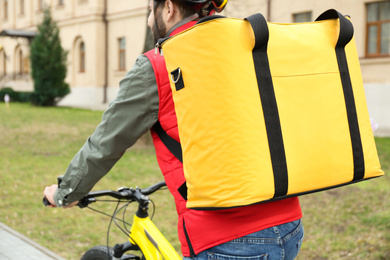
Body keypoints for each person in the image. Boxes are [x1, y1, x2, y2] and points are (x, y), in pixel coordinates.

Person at [43, 0, 304, 259]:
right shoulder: (247, 45)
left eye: (149, 11)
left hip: (228, 240)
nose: (148, 21)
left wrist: (65, 192)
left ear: (168, 8)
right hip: (289, 221)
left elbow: (105, 144)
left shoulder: (158, 65)